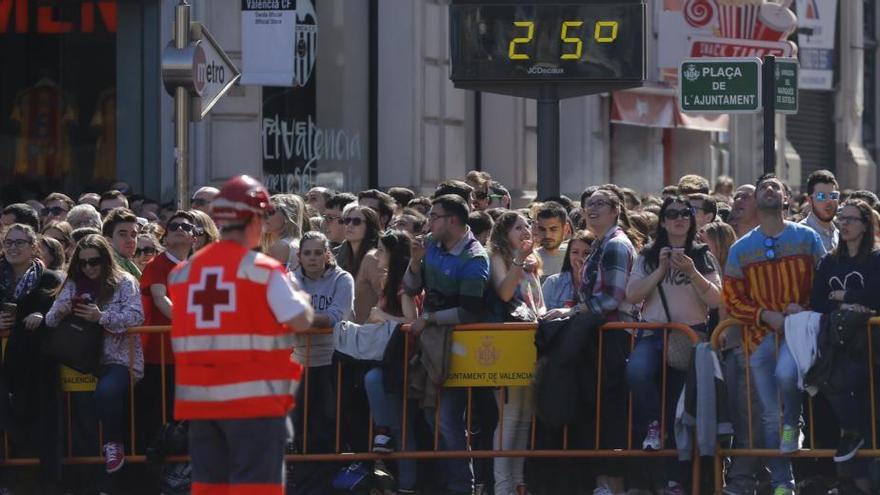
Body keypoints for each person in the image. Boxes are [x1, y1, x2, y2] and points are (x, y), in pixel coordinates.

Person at [169, 175, 313, 495]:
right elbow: (300, 319)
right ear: (252, 219)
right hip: (253, 403)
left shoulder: (184, 274)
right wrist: (300, 296)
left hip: (201, 403)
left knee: (210, 487)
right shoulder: (262, 269)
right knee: (255, 487)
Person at [723, 173, 825, 495]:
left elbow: (824, 282)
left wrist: (805, 308)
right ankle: (783, 484)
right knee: (768, 416)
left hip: (797, 334)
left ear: (786, 200)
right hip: (759, 337)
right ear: (755, 199)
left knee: (785, 375)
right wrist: (763, 315)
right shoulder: (741, 249)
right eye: (763, 187)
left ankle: (794, 422)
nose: (769, 190)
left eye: (775, 187)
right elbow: (732, 298)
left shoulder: (808, 238)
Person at [624, 196, 722, 495]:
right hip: (653, 335)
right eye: (672, 214)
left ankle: (677, 481)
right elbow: (632, 295)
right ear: (663, 221)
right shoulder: (648, 255)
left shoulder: (702, 254)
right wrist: (660, 270)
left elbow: (717, 299)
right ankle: (653, 424)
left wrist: (692, 271)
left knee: (681, 415)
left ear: (692, 221)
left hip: (689, 338)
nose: (679, 218)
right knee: (637, 373)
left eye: (685, 214)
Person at [404, 194, 490, 495]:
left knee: (448, 418)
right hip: (430, 344)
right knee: (433, 416)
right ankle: (450, 482)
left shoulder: (474, 257)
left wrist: (429, 319)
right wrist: (415, 263)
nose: (430, 222)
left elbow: (469, 310)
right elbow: (412, 287)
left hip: (458, 347)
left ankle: (461, 487)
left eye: (435, 216)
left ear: (453, 220)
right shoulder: (429, 245)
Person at [45, 234, 145, 474]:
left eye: (94, 262)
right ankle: (88, 479)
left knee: (106, 393)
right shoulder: (72, 283)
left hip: (117, 358)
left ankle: (114, 445)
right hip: (78, 360)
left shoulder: (125, 282)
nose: (89, 268)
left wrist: (101, 317)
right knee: (84, 423)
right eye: (83, 263)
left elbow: (136, 317)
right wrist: (62, 310)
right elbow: (49, 320)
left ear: (106, 260)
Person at [809, 200, 880, 472]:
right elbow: (817, 300)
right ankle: (851, 436)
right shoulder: (830, 261)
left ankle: (866, 473)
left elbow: (875, 297)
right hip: (836, 343)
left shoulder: (875, 259)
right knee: (827, 381)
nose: (845, 223)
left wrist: (844, 296)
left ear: (865, 226)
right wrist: (848, 304)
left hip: (870, 346)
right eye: (842, 218)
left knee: (869, 406)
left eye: (852, 219)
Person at [0, 224, 65, 487]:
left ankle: (46, 484)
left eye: (20, 242)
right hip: (4, 365)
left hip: (37, 366)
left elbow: (62, 310)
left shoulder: (50, 279)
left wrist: (44, 316)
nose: (13, 248)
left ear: (34, 246)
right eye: (8, 243)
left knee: (43, 427)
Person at [289, 231, 354, 491]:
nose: (313, 258)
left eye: (318, 252)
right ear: (299, 256)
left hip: (333, 359)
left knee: (328, 424)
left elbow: (338, 315)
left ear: (327, 254)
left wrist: (302, 318)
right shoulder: (290, 279)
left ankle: (327, 482)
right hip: (299, 361)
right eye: (307, 253)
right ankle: (304, 483)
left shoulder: (342, 278)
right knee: (300, 426)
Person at [487, 211, 545, 495]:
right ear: (504, 232)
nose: (525, 230)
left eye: (527, 226)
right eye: (518, 227)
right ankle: (503, 486)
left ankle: (518, 481)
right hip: (507, 342)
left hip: (530, 341)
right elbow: (505, 293)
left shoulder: (533, 262)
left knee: (524, 415)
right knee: (509, 415)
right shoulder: (499, 257)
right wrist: (520, 261)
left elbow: (538, 304)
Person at [136, 211, 195, 454]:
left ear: (194, 238)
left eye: (186, 226)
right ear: (166, 237)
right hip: (158, 356)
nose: (180, 228)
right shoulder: (157, 264)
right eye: (174, 226)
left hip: (189, 356)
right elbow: (161, 299)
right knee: (156, 422)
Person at [336, 204, 385, 324]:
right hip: (353, 334)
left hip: (370, 334)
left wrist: (369, 322)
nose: (350, 225)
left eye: (357, 221)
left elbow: (387, 298)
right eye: (347, 220)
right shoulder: (345, 256)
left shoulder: (372, 258)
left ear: (370, 227)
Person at [542, 230, 594, 316]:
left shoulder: (599, 284)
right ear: (568, 255)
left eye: (586, 253)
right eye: (575, 252)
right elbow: (542, 316)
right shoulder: (552, 282)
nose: (580, 257)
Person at [262, 194, 306, 272]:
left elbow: (270, 281)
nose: (264, 216)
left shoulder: (281, 246)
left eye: (270, 212)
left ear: (287, 217)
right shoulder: (296, 242)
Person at [800, 169, 840, 255]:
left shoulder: (840, 233)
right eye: (821, 196)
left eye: (833, 195)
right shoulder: (800, 234)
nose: (828, 201)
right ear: (810, 200)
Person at [534, 202, 571, 281]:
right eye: (542, 229)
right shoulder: (530, 258)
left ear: (566, 229)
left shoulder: (577, 256)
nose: (547, 235)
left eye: (553, 229)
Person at [102, 208, 142, 279]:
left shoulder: (129, 264)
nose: (130, 240)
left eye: (133, 235)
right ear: (108, 240)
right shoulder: (107, 266)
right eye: (123, 234)